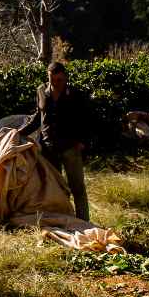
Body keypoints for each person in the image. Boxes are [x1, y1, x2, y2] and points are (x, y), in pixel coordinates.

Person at [32, 61, 94, 220]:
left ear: (65, 78)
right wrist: (18, 132)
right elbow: (37, 117)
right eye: (52, 80)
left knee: (77, 187)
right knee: (55, 188)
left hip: (70, 147)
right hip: (48, 148)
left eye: (59, 80)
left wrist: (82, 142)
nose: (55, 84)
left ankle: (83, 221)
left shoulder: (76, 94)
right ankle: (62, 219)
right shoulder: (41, 91)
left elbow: (87, 120)